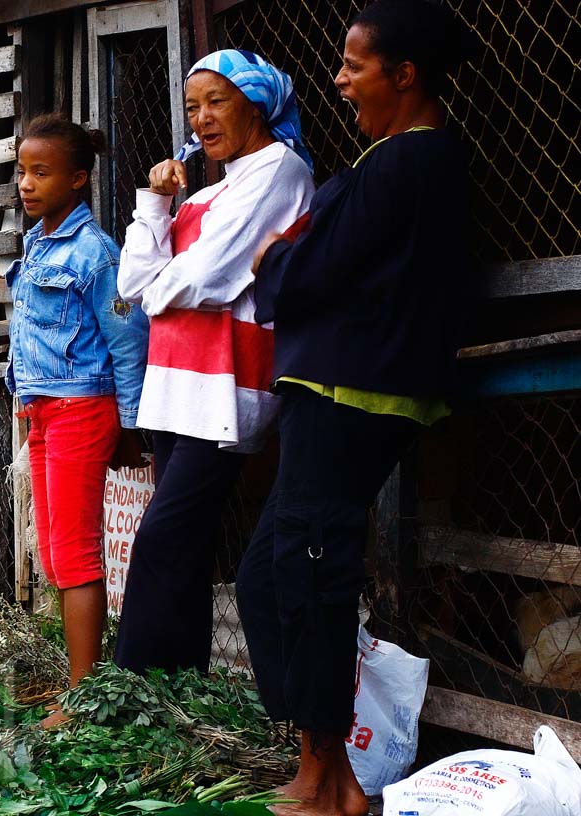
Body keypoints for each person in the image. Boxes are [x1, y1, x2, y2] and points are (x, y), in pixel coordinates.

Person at [238, 2, 473, 813]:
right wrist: (290, 260)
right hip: (334, 388)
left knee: (309, 571)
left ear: (403, 75)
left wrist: (277, 260)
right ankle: (315, 760)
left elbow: (304, 278)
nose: (337, 81)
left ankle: (330, 781)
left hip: (351, 393)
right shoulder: (392, 163)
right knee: (271, 575)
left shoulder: (410, 163)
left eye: (353, 65)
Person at [113, 50, 315, 676]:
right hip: (175, 389)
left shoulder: (279, 170)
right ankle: (181, 693)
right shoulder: (211, 191)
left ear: (256, 103)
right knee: (186, 551)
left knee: (160, 542)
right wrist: (152, 202)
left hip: (224, 395)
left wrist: (157, 286)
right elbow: (133, 280)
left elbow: (210, 279)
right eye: (192, 106)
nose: (200, 118)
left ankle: (125, 695)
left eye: (216, 101)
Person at [6, 114, 149, 727]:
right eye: (20, 172)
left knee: (75, 552)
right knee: (59, 557)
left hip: (82, 408)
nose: (26, 184)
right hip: (43, 408)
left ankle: (83, 696)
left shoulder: (96, 253)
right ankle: (77, 686)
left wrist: (130, 423)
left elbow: (127, 338)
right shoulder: (38, 240)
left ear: (79, 179)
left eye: (41, 172)